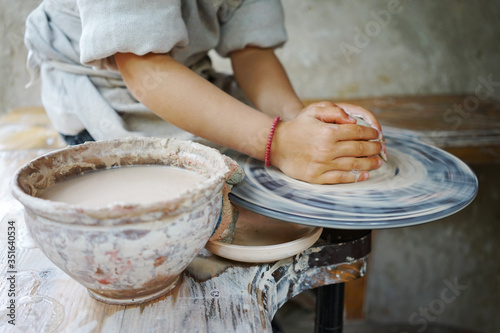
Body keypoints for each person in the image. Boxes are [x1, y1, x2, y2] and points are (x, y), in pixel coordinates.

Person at [24, 0, 385, 184]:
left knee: (258, 166)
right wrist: (279, 143)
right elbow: (143, 67)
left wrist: (299, 123)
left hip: (181, 73)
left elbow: (253, 52)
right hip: (105, 91)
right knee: (181, 220)